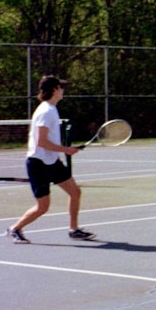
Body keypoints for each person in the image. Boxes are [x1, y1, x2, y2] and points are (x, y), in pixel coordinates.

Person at [6, 76, 95, 244]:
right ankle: (15, 228)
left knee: (75, 192)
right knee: (43, 206)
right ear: (54, 89)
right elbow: (42, 142)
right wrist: (66, 149)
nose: (63, 90)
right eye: (61, 87)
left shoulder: (52, 109)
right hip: (38, 163)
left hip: (52, 161)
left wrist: (63, 150)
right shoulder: (46, 111)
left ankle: (74, 230)